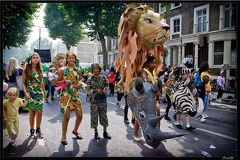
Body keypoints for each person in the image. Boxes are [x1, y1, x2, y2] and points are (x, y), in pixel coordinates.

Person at [56, 52, 83, 145]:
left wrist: (80, 85)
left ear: (75, 59)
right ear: (67, 59)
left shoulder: (78, 70)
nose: (71, 60)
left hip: (75, 96)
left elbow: (80, 81)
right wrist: (64, 81)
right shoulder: (63, 70)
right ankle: (63, 136)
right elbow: (56, 82)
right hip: (65, 96)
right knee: (66, 117)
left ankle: (75, 131)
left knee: (80, 116)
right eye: (69, 58)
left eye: (73, 58)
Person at [133, 56, 160, 142]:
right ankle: (135, 134)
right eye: (152, 63)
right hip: (145, 99)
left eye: (155, 63)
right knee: (142, 116)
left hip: (153, 98)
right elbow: (144, 84)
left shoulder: (154, 73)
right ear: (148, 64)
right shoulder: (143, 72)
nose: (154, 64)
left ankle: (157, 134)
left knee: (157, 115)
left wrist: (165, 85)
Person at [22, 52, 47, 139]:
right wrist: (25, 93)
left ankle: (38, 130)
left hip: (39, 92)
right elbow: (23, 83)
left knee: (39, 112)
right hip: (30, 92)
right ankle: (32, 131)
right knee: (32, 113)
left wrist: (44, 93)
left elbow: (42, 83)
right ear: (30, 59)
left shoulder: (40, 69)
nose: (35, 59)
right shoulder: (26, 70)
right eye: (34, 57)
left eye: (37, 58)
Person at [86, 63, 111, 140]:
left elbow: (107, 86)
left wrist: (105, 89)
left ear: (99, 69)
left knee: (103, 115)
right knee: (94, 115)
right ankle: (96, 132)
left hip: (103, 100)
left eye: (97, 68)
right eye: (94, 69)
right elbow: (87, 90)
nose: (96, 70)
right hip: (94, 100)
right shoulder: (90, 80)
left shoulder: (103, 78)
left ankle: (105, 131)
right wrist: (95, 90)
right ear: (92, 70)